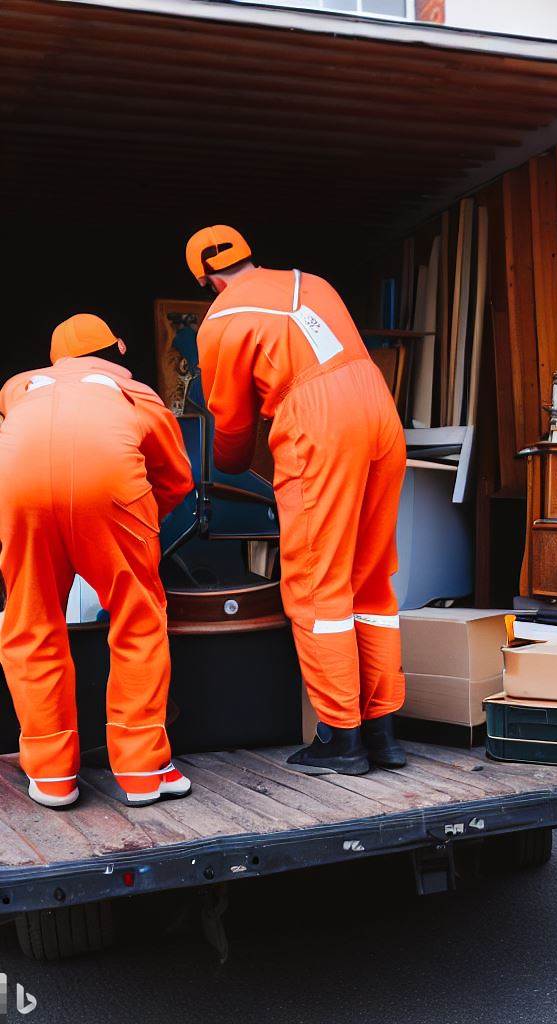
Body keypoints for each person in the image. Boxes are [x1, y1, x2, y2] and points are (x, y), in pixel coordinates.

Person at [185, 225, 407, 776]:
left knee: (314, 586)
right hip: (379, 410)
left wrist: (233, 465)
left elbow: (232, 426)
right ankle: (383, 731)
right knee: (370, 579)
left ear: (207, 279)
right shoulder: (314, 283)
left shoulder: (220, 320)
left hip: (319, 422)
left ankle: (340, 737)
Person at [0, 314, 195, 808]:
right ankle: (143, 769)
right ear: (119, 349)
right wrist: (135, 523)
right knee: (138, 622)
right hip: (112, 494)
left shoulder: (17, 388)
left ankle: (50, 776)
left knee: (31, 622)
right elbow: (176, 478)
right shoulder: (136, 393)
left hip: (19, 494)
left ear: (56, 359)